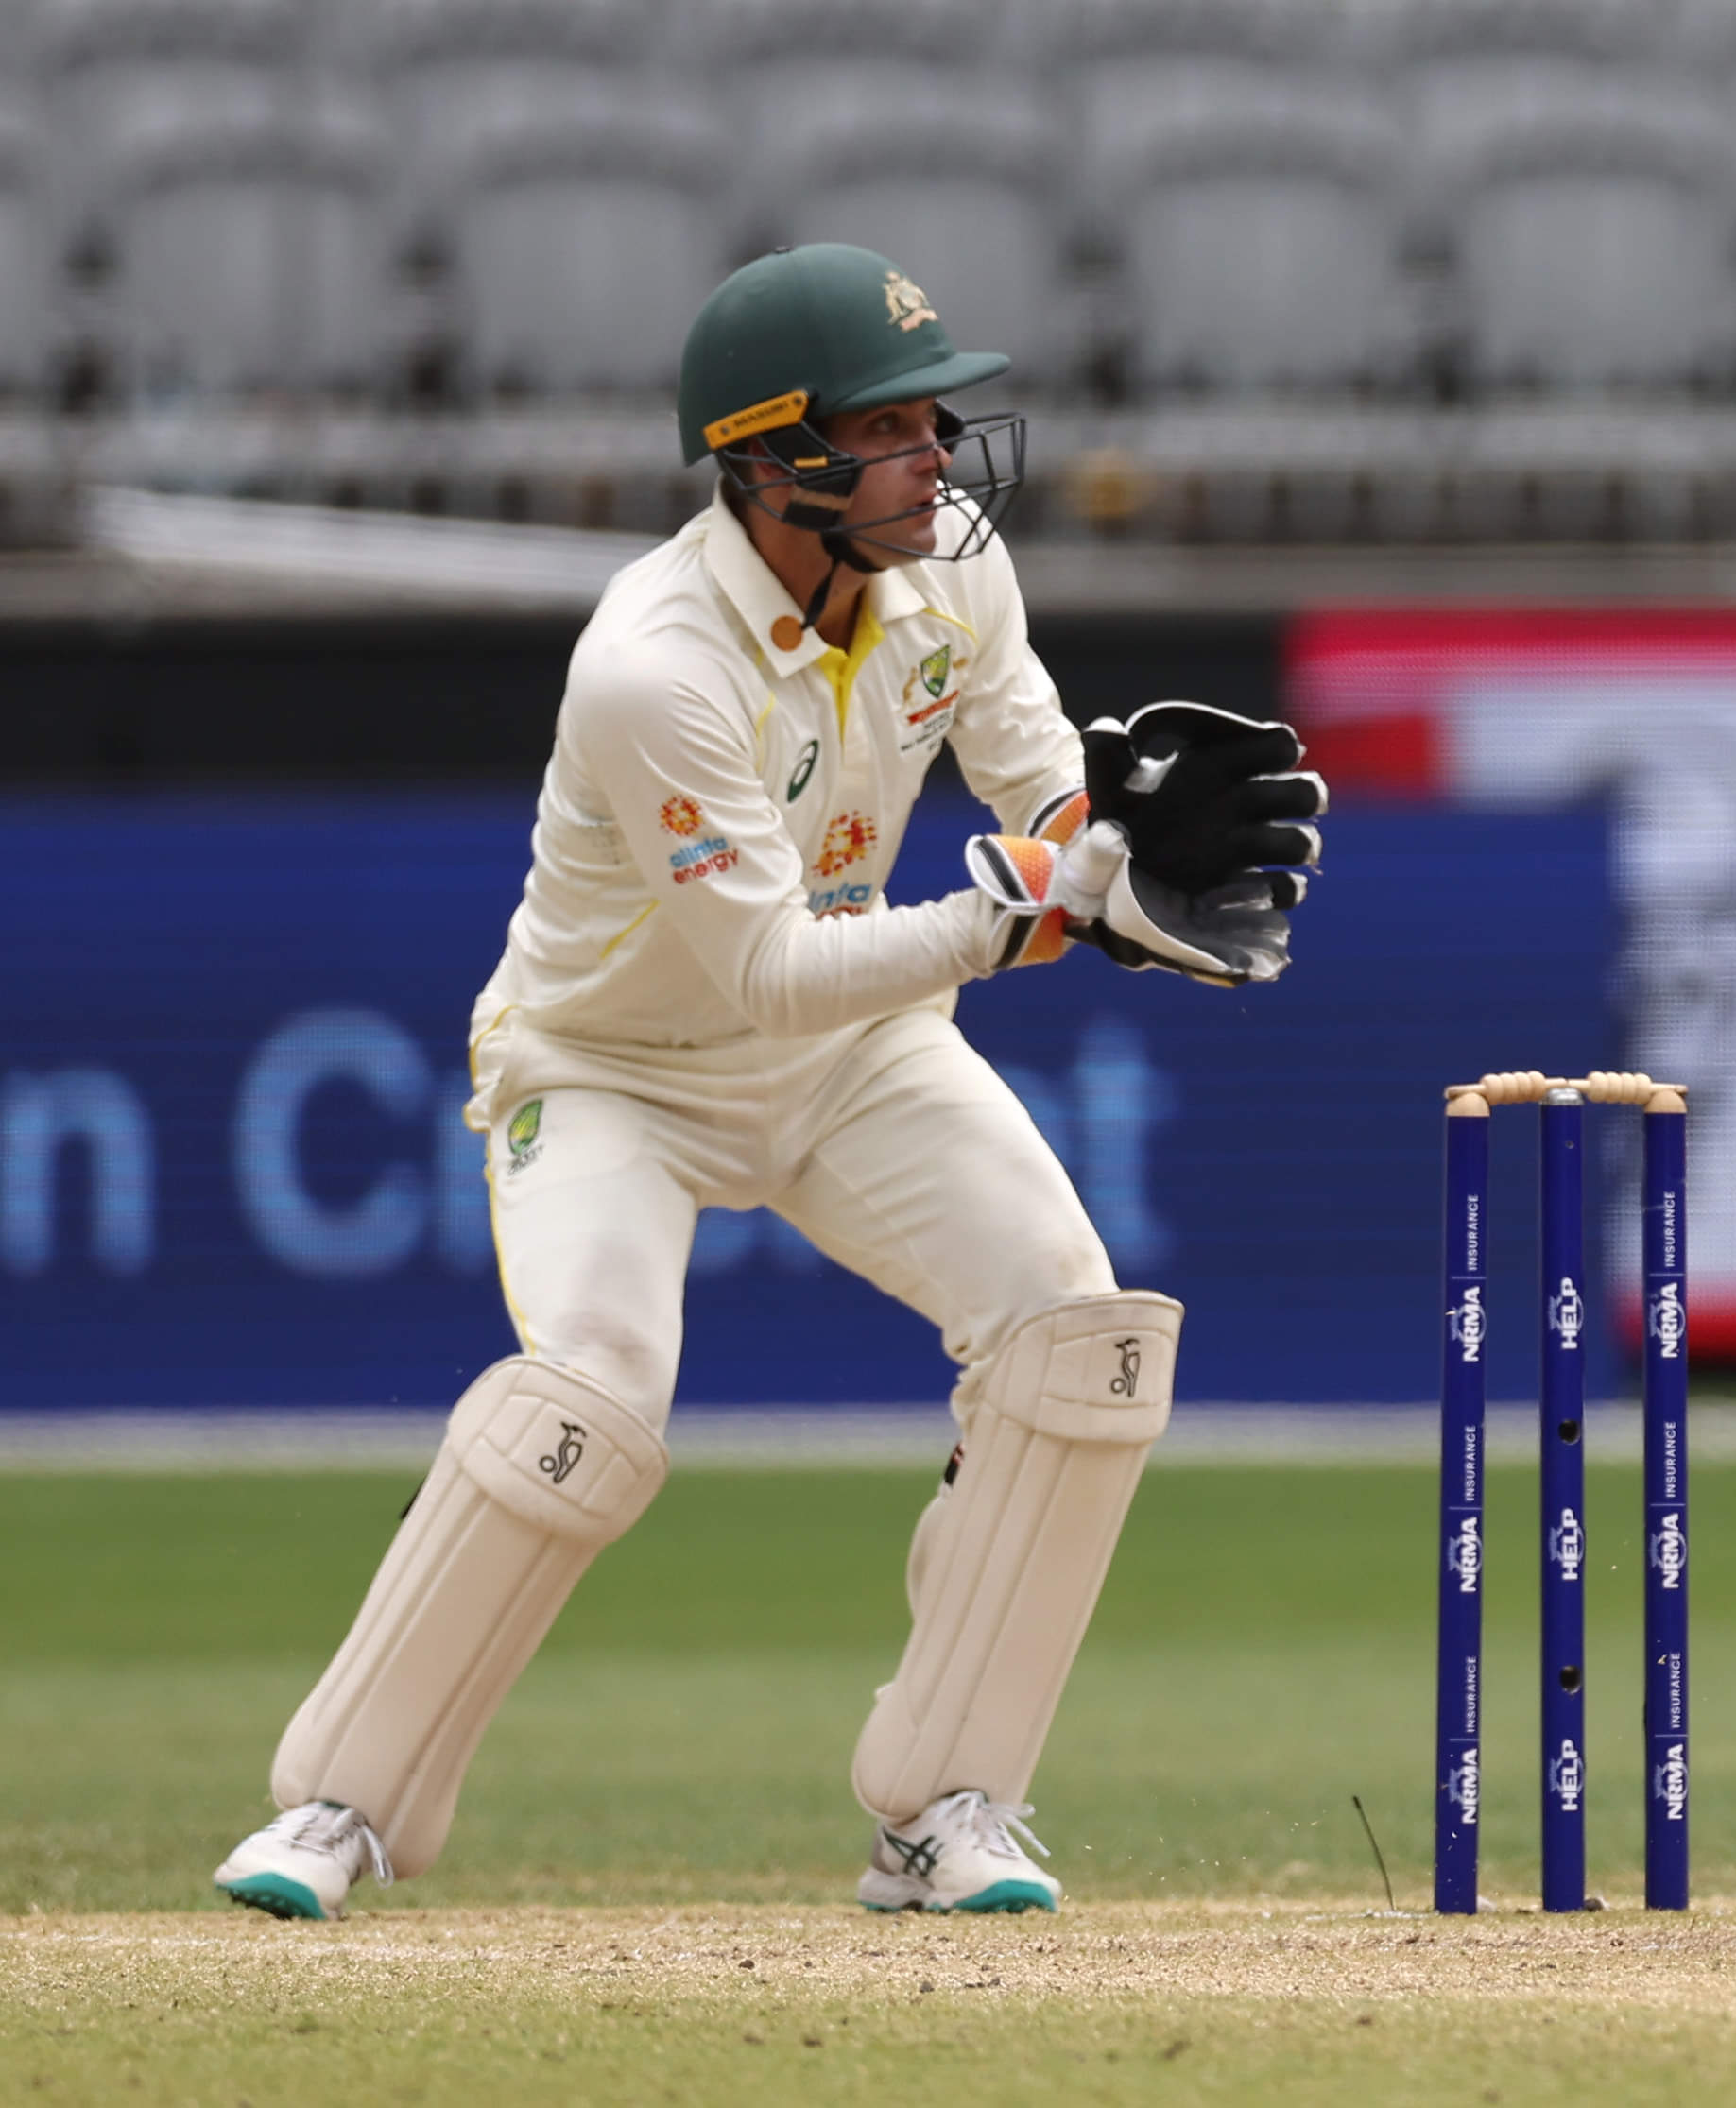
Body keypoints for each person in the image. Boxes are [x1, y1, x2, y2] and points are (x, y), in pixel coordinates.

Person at [210, 244, 1323, 1922]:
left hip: (854, 1059)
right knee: (589, 1397)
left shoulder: (953, 564)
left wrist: (1122, 853)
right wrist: (1018, 919)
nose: (940, 456)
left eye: (938, 418)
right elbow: (767, 967)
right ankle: (339, 1810)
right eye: (895, 427)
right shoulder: (654, 665)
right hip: (614, 1070)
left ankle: (947, 1802)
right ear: (771, 456)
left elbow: (1037, 778)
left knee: (1080, 1344)